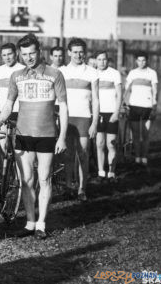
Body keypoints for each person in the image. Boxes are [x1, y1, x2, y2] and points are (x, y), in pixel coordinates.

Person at [0, 33, 68, 239]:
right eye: (24, 54)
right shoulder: (17, 76)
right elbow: (8, 104)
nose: (29, 58)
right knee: (26, 180)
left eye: (32, 53)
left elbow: (64, 107)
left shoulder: (55, 73)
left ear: (39, 52)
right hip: (23, 134)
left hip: (47, 134)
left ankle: (42, 223)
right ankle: (30, 222)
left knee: (44, 179)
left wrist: (62, 137)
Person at [62, 38, 99, 201]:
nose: (78, 55)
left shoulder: (91, 72)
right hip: (67, 119)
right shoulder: (62, 71)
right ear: (69, 52)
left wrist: (95, 123)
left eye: (81, 52)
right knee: (68, 155)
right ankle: (69, 186)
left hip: (84, 118)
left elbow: (96, 100)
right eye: (75, 52)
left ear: (85, 53)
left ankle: (82, 189)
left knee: (83, 154)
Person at [123, 51, 158, 167]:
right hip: (134, 107)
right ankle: (137, 157)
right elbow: (126, 91)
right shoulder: (132, 73)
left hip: (147, 107)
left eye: (144, 60)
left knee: (146, 134)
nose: (141, 62)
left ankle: (144, 157)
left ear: (147, 61)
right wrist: (126, 104)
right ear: (136, 61)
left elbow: (155, 91)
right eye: (139, 60)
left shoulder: (152, 73)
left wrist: (154, 106)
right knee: (136, 134)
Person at [95, 50, 122, 182]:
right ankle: (101, 172)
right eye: (99, 59)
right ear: (95, 60)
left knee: (111, 144)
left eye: (104, 59)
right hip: (98, 114)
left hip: (111, 114)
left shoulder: (114, 73)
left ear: (108, 60)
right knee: (99, 144)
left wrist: (116, 112)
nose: (102, 62)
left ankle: (111, 172)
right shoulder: (93, 73)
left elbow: (119, 94)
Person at [0, 43, 25, 120]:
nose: (7, 58)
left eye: (9, 54)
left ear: (16, 54)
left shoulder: (24, 69)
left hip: (20, 113)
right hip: (2, 113)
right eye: (4, 55)